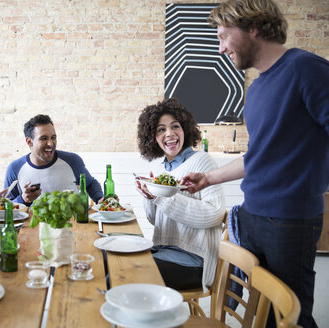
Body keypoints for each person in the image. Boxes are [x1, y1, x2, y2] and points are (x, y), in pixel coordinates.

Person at [182, 1, 329, 327]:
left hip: (290, 220)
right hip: (253, 215)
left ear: (252, 26)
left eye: (223, 36)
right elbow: (259, 156)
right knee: (261, 315)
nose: (221, 49)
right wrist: (208, 179)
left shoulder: (305, 69)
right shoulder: (258, 86)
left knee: (289, 318)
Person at [135, 98, 225, 291]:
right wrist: (150, 197)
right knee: (117, 261)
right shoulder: (159, 169)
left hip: (195, 260)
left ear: (185, 129)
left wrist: (163, 197)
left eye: (175, 126)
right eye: (161, 129)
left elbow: (215, 214)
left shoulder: (202, 161)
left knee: (129, 273)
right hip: (164, 250)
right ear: (152, 137)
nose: (169, 134)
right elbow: (154, 220)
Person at [4, 114, 103, 206]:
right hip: (36, 224)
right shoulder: (14, 169)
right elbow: (6, 205)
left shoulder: (72, 161)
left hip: (74, 223)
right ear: (29, 142)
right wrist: (22, 199)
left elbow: (90, 184)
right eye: (44, 138)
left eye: (53, 137)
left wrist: (100, 199)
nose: (51, 143)